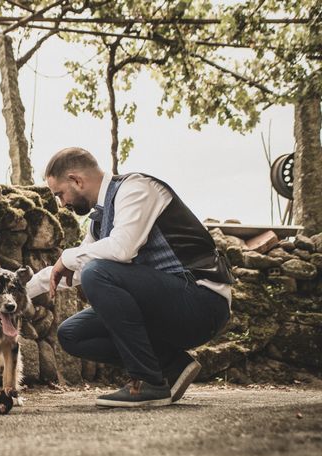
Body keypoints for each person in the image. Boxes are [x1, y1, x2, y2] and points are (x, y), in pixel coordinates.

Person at [25, 147, 234, 408]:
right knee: (72, 333)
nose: (62, 203)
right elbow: (77, 266)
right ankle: (171, 366)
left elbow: (122, 249)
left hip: (202, 301)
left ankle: (148, 381)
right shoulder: (99, 222)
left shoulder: (135, 189)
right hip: (166, 306)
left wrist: (66, 257)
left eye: (60, 194)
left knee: (96, 272)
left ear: (77, 180)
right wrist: (21, 293)